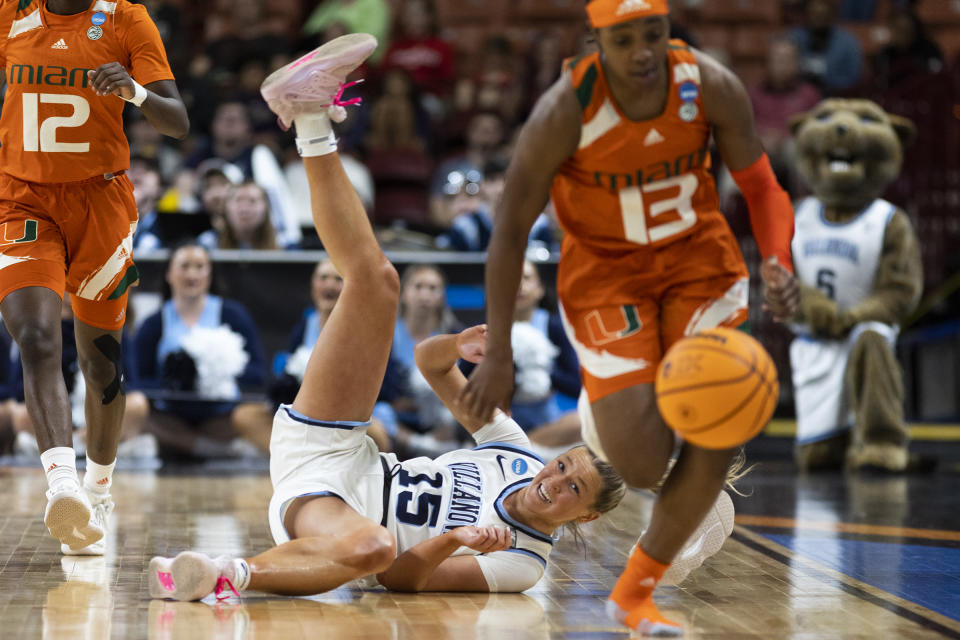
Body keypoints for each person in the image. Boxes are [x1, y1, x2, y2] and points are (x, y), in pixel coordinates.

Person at [147, 34, 626, 601]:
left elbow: (398, 579)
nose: (554, 481)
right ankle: (308, 117)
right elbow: (429, 361)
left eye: (573, 488)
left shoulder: (523, 564)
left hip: (333, 518)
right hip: (338, 449)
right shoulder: (518, 451)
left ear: (586, 518)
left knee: (373, 548)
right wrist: (459, 345)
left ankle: (222, 573)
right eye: (565, 466)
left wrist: (456, 540)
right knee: (378, 282)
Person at [459, 1, 800, 635]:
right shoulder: (565, 109)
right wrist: (500, 348)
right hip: (606, 277)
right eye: (624, 39)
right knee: (641, 467)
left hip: (700, 264)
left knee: (721, 426)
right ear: (597, 42)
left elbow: (761, 184)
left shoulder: (708, 84)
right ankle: (613, 409)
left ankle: (635, 593)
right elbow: (508, 233)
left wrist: (779, 260)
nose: (643, 51)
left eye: (655, 34)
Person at [0, 0, 188, 555]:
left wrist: (134, 91)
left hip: (101, 202)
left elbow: (176, 121)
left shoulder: (127, 19)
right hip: (22, 198)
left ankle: (98, 489)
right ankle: (62, 485)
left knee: (101, 360)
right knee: (34, 337)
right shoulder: (12, 14)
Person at [133, 241, 267, 459]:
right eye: (184, 266)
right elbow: (138, 379)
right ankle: (203, 447)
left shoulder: (233, 315)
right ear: (169, 274)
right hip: (170, 417)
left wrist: (219, 378)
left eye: (199, 266)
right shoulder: (153, 323)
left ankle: (197, 445)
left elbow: (258, 372)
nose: (192, 274)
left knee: (248, 415)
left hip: (221, 417)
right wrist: (173, 383)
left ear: (210, 274)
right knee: (137, 412)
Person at [788, 0, 863, 94]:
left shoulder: (847, 42)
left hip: (834, 98)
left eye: (822, 15)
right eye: (814, 14)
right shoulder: (794, 38)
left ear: (831, 16)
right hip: (798, 98)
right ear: (806, 14)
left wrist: (826, 81)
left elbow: (853, 79)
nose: (818, 21)